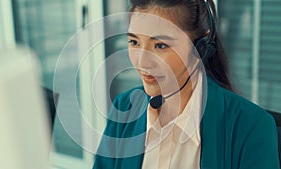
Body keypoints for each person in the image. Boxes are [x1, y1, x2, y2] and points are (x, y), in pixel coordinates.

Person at [93, 0, 280, 168]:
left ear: (201, 46)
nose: (142, 62)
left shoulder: (252, 127)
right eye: (134, 42)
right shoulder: (124, 108)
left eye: (160, 45)